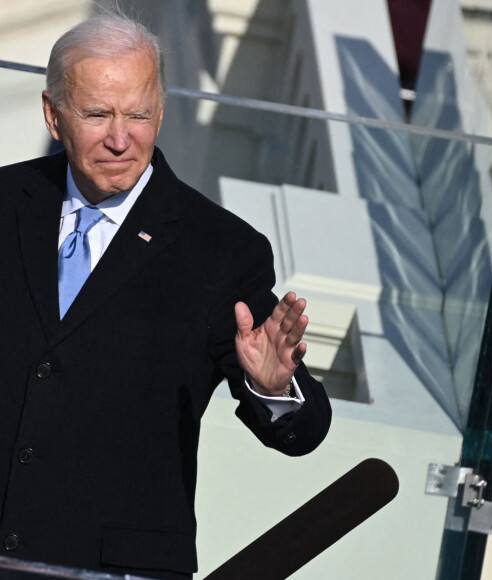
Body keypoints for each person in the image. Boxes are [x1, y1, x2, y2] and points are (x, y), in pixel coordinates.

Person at [0, 14, 331, 580]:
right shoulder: (7, 200)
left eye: (139, 114)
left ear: (161, 110)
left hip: (115, 566)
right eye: (98, 114)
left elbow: (303, 428)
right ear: (53, 116)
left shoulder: (221, 249)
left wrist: (273, 386)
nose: (120, 138)